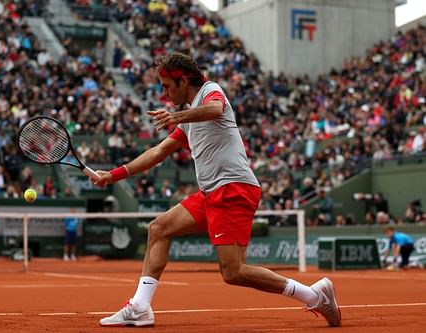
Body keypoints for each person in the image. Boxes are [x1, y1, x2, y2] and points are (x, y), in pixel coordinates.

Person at [91, 52, 341, 327]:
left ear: (183, 80)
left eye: (166, 86)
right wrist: (113, 175)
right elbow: (160, 151)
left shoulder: (211, 91)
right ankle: (140, 306)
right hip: (211, 193)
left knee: (233, 272)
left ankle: (315, 297)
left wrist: (177, 116)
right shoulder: (187, 118)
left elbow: (215, 110)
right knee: (159, 228)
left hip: (234, 190)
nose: (163, 93)